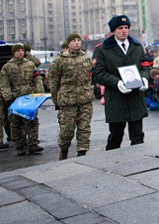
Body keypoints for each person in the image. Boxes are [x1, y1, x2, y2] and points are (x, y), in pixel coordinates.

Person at [92, 15, 150, 150]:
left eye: (126, 28)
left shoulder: (136, 46)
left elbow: (145, 66)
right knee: (116, 136)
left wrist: (145, 78)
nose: (124, 30)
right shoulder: (103, 49)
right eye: (120, 28)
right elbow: (98, 73)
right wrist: (117, 83)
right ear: (113, 31)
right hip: (116, 99)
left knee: (138, 136)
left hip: (135, 97)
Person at [48, 33, 93, 159]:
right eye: (74, 41)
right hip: (67, 101)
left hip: (85, 99)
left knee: (84, 128)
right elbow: (53, 82)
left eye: (79, 40)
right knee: (67, 130)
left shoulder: (86, 57)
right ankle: (64, 149)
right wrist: (56, 100)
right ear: (68, 44)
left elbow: (90, 75)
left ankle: (82, 152)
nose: (77, 43)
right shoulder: (59, 60)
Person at [0, 44, 44, 155]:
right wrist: (8, 98)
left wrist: (39, 93)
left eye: (22, 51)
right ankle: (20, 145)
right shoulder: (7, 67)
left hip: (29, 97)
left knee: (32, 121)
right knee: (16, 123)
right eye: (18, 51)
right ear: (14, 53)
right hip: (16, 99)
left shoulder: (30, 64)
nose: (20, 53)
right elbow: (4, 84)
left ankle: (33, 143)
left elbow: (37, 78)